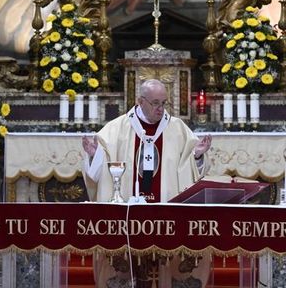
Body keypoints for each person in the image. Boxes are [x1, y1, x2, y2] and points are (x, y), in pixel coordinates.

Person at [81, 79, 212, 287]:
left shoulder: (178, 129)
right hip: (128, 218)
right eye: (155, 103)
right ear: (140, 101)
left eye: (164, 103)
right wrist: (94, 155)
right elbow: (100, 168)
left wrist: (196, 155)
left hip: (167, 220)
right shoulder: (116, 129)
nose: (160, 109)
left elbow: (192, 169)